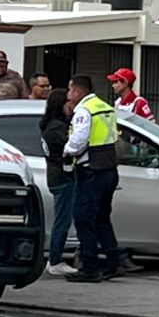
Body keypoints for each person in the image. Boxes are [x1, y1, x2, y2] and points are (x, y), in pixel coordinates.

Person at [63, 74, 128, 282]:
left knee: (83, 219)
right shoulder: (105, 107)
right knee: (101, 218)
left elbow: (78, 141)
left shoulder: (84, 110)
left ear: (78, 91)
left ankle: (89, 268)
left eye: (70, 90)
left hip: (90, 170)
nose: (68, 95)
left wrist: (66, 150)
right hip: (109, 169)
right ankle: (114, 262)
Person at [39, 89, 78, 277]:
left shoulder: (52, 125)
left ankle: (56, 259)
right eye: (68, 102)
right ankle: (55, 260)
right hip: (62, 177)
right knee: (62, 220)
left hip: (57, 176)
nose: (71, 106)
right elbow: (71, 148)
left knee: (63, 219)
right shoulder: (56, 128)